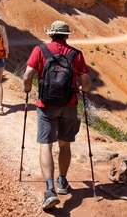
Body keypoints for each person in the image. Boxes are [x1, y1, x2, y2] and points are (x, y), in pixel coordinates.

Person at [23, 20, 92, 210]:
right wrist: (83, 90)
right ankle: (62, 181)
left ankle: (50, 189)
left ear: (51, 34)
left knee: (46, 144)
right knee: (64, 144)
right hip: (69, 104)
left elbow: (28, 75)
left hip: (46, 105)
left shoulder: (40, 50)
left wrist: (28, 89)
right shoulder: (75, 54)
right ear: (67, 35)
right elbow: (85, 79)